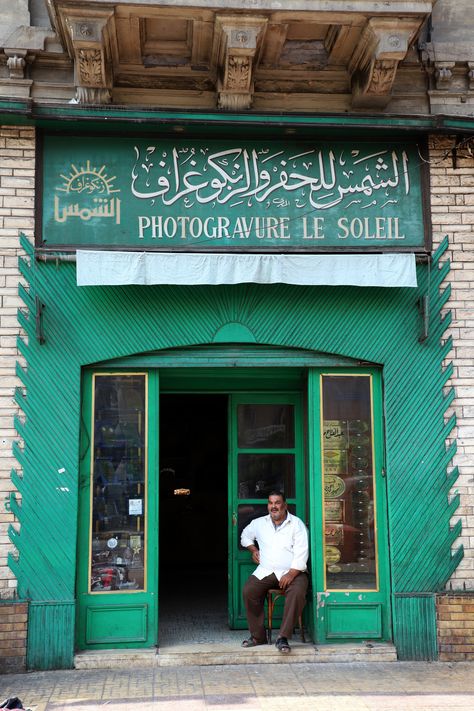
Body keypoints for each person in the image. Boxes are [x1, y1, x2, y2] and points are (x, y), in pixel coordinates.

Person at [240, 490, 309, 654]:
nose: (274, 506)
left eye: (277, 503)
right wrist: (253, 549)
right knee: (249, 591)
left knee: (297, 593)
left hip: (294, 571)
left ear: (284, 505)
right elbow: (244, 536)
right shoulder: (259, 523)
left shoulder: (296, 524)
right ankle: (258, 637)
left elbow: (302, 552)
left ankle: (283, 637)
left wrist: (291, 574)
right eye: (271, 503)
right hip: (267, 571)